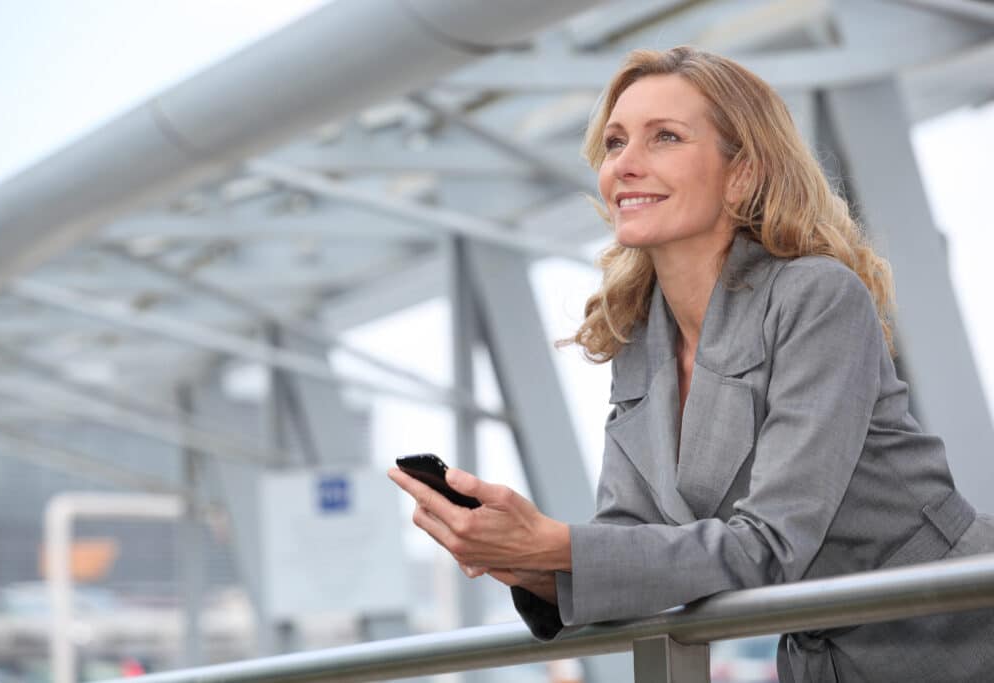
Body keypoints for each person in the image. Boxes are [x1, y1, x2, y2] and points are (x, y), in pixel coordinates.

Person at [388, 46, 994, 682]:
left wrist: (556, 546)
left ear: (742, 174)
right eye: (616, 142)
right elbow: (631, 536)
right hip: (829, 655)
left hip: (961, 628)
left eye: (665, 138)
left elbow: (771, 544)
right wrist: (522, 558)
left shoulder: (815, 296)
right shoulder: (638, 335)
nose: (625, 164)